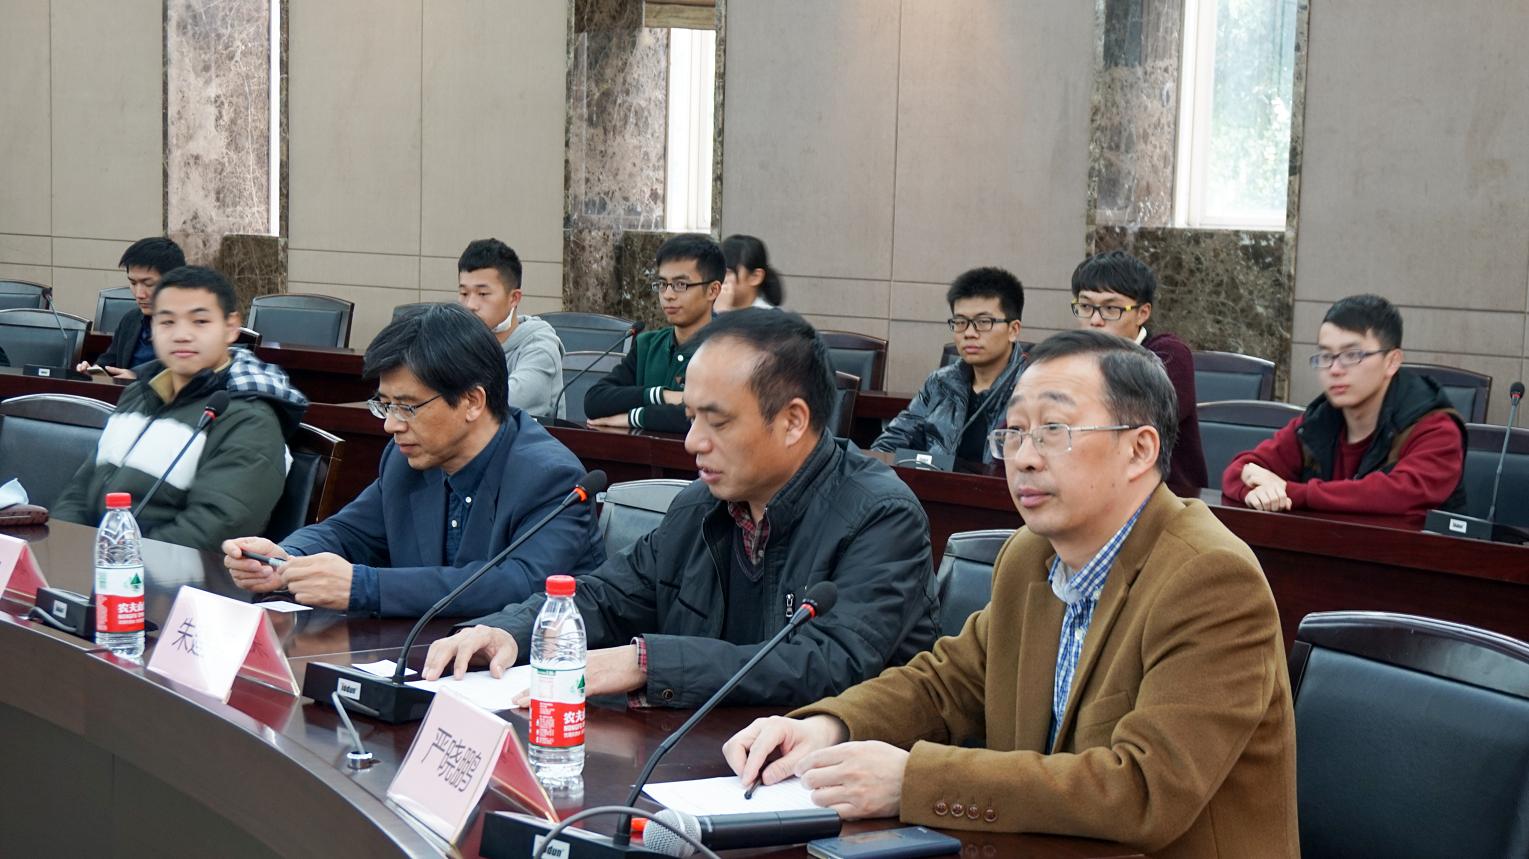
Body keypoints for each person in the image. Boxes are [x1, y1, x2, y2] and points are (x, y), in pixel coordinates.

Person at [724, 330, 1297, 858]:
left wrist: (914, 781)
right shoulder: (1030, 556)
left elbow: (1144, 790)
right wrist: (826, 727)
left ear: (1140, 449)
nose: (1023, 456)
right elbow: (947, 684)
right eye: (1014, 432)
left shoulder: (1211, 578)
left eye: (1053, 431)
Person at [421, 309, 939, 709]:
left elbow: (830, 664)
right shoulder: (701, 506)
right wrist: (510, 630)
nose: (692, 442)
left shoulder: (880, 515)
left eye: (717, 422)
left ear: (792, 421)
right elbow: (609, 596)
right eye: (690, 418)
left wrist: (649, 663)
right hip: (703, 759)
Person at [224, 304, 605, 617]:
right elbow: (349, 532)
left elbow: (518, 583)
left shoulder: (550, 477)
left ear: (473, 401)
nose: (390, 424)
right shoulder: (405, 460)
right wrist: (288, 559)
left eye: (407, 407)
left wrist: (366, 587)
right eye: (385, 405)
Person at [53, 266, 309, 552]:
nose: (181, 335)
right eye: (167, 322)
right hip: (98, 564)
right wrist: (65, 548)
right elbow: (79, 491)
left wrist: (112, 560)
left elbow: (212, 529)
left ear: (231, 327)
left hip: (171, 573)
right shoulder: (138, 394)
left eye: (200, 321)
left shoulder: (248, 418)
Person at [1222, 294, 1465, 525]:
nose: (1335, 369)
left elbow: (1397, 495)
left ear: (1392, 362)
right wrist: (1254, 491)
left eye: (1351, 355)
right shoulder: (1319, 421)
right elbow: (1241, 469)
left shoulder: (1436, 429)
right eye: (1326, 356)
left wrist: (1289, 491)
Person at [1071, 250, 1207, 492]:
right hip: (1092, 488)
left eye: (1110, 308)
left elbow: (1132, 423)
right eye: (1085, 306)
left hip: (1167, 494)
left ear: (1142, 313)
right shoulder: (1069, 357)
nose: (1095, 320)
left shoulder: (1170, 355)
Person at [871, 267, 1026, 465]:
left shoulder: (1033, 388)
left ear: (1013, 330)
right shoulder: (940, 383)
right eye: (960, 322)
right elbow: (888, 445)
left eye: (983, 321)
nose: (969, 333)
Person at [583, 234, 722, 433]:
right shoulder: (647, 345)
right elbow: (595, 401)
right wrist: (661, 395)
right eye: (662, 284)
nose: (668, 295)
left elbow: (706, 416)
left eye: (681, 285)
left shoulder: (727, 350)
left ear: (713, 290)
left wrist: (634, 417)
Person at [456, 238, 565, 419]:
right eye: (464, 293)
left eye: (483, 294)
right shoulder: (458, 341)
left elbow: (508, 402)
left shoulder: (540, 347)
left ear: (514, 298)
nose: (470, 305)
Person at [75, 236, 187, 380]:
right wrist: (93, 371)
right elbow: (109, 362)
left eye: (149, 284)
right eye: (133, 283)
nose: (139, 294)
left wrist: (138, 377)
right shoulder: (131, 320)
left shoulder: (192, 325)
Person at [714, 234, 784, 312]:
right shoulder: (710, 308)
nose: (717, 278)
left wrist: (722, 313)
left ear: (755, 277)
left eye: (728, 272)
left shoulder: (771, 316)